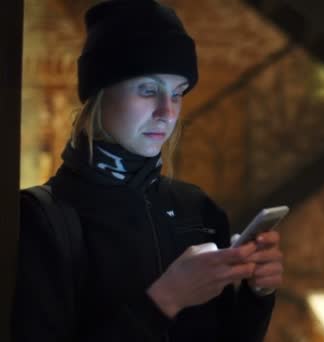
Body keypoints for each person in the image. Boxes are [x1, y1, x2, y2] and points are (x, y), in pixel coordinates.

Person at [11, 0, 283, 341]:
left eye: (178, 93)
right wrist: (166, 299)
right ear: (100, 93)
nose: (167, 112)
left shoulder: (197, 208)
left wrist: (257, 293)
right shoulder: (41, 218)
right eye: (148, 89)